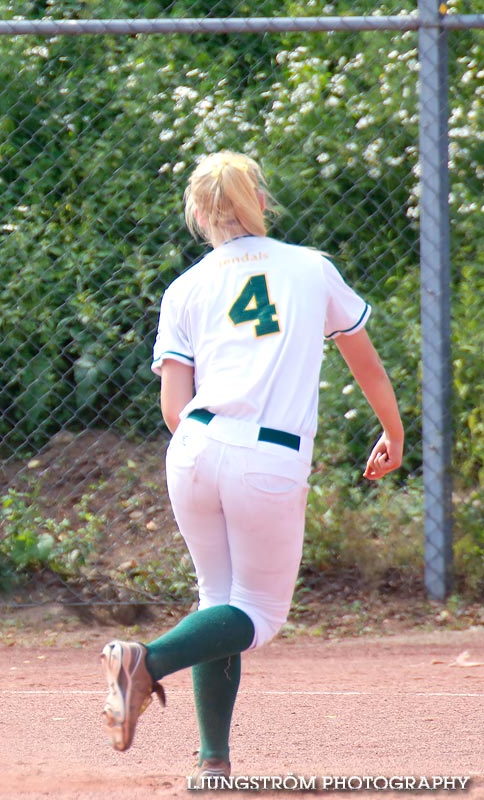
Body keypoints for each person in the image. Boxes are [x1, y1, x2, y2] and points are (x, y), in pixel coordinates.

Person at [100, 151, 404, 782]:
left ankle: (214, 762)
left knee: (220, 603)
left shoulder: (185, 287)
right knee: (258, 615)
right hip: (267, 454)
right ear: (260, 203)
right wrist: (393, 433)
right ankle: (144, 662)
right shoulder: (309, 268)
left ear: (197, 214)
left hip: (194, 445)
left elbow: (173, 407)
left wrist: (212, 448)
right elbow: (365, 362)